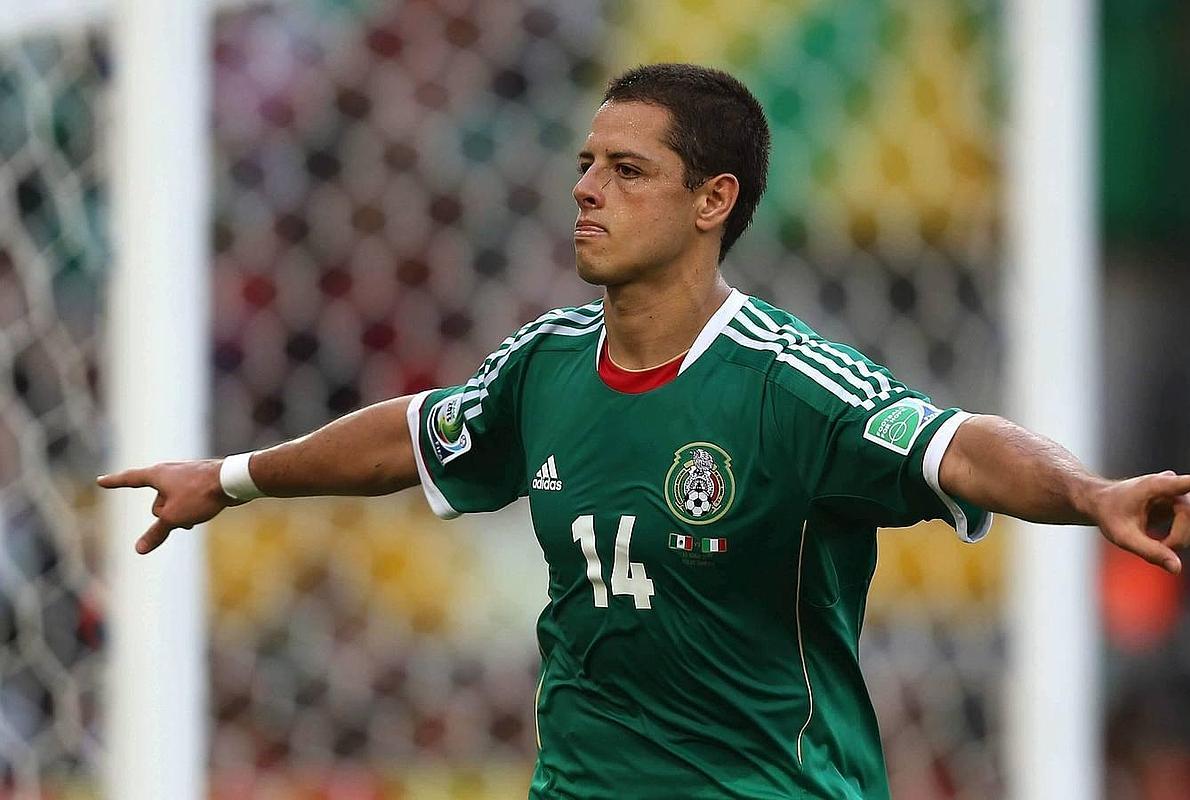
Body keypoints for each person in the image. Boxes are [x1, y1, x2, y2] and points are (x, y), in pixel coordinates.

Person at [98, 64, 1190, 800]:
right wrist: (230, 476)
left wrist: (1089, 493)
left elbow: (956, 444)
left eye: (625, 171)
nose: (585, 189)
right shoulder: (546, 363)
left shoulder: (786, 381)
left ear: (712, 200)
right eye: (585, 163)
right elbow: (414, 436)